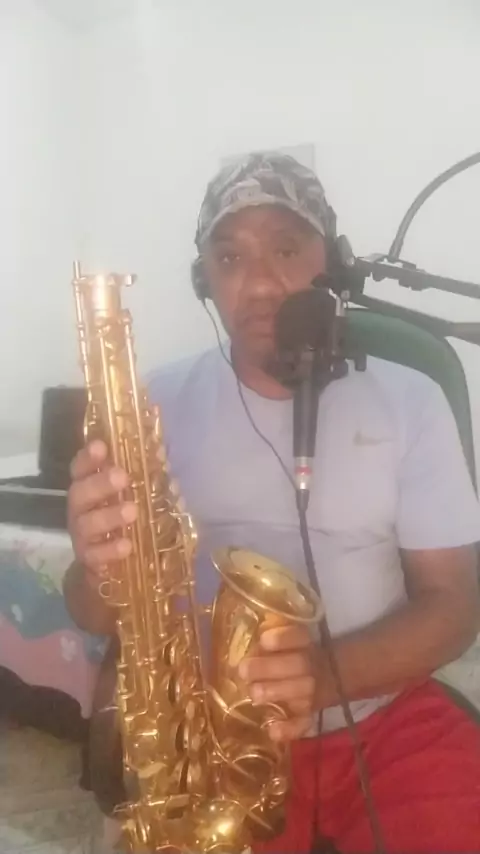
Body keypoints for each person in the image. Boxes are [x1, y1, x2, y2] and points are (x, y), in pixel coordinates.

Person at [64, 151, 480, 854]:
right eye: (230, 258)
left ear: (333, 264)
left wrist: (321, 675)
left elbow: (454, 607)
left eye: (286, 249)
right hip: (209, 737)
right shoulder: (149, 406)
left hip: (381, 713)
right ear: (205, 280)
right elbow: (97, 612)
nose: (259, 283)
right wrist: (98, 564)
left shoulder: (412, 399)